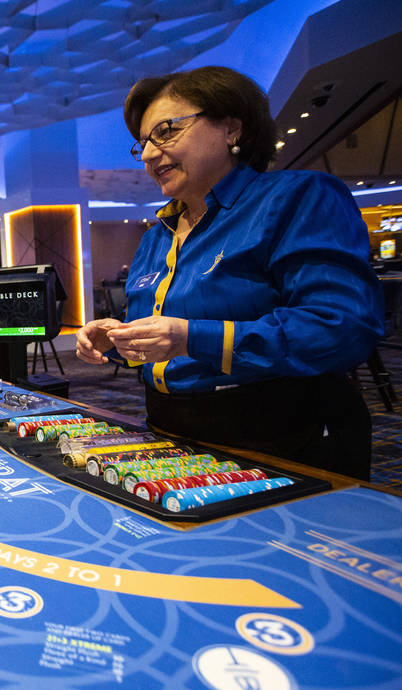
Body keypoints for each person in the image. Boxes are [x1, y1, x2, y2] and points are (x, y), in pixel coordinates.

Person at [75, 66, 383, 480]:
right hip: (168, 431)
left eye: (165, 131)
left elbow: (342, 327)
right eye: (142, 143)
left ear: (232, 129)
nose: (148, 154)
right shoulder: (156, 236)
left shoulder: (297, 197)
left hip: (279, 435)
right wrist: (117, 340)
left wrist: (190, 337)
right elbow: (160, 338)